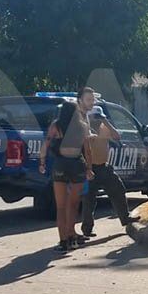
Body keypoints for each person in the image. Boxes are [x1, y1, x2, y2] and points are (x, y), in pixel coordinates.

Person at [39, 88, 96, 253]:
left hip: (60, 165)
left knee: (61, 207)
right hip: (77, 164)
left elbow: (46, 145)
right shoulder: (83, 126)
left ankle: (63, 241)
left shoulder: (55, 126)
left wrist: (42, 163)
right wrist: (89, 168)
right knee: (73, 204)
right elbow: (88, 150)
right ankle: (72, 238)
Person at [80, 105, 137, 237]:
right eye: (96, 118)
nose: (98, 121)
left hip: (104, 167)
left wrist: (106, 122)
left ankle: (125, 217)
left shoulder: (104, 128)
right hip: (90, 168)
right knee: (89, 199)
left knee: (119, 190)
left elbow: (117, 136)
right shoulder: (85, 129)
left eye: (100, 118)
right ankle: (87, 228)